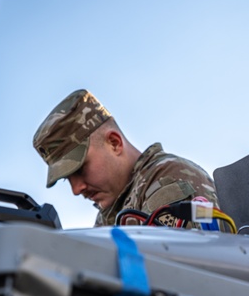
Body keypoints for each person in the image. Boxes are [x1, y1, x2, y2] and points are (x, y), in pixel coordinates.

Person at [33, 88, 218, 227]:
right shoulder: (109, 214)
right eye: (67, 179)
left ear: (114, 143)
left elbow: (175, 262)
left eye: (80, 169)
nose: (76, 189)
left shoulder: (169, 179)